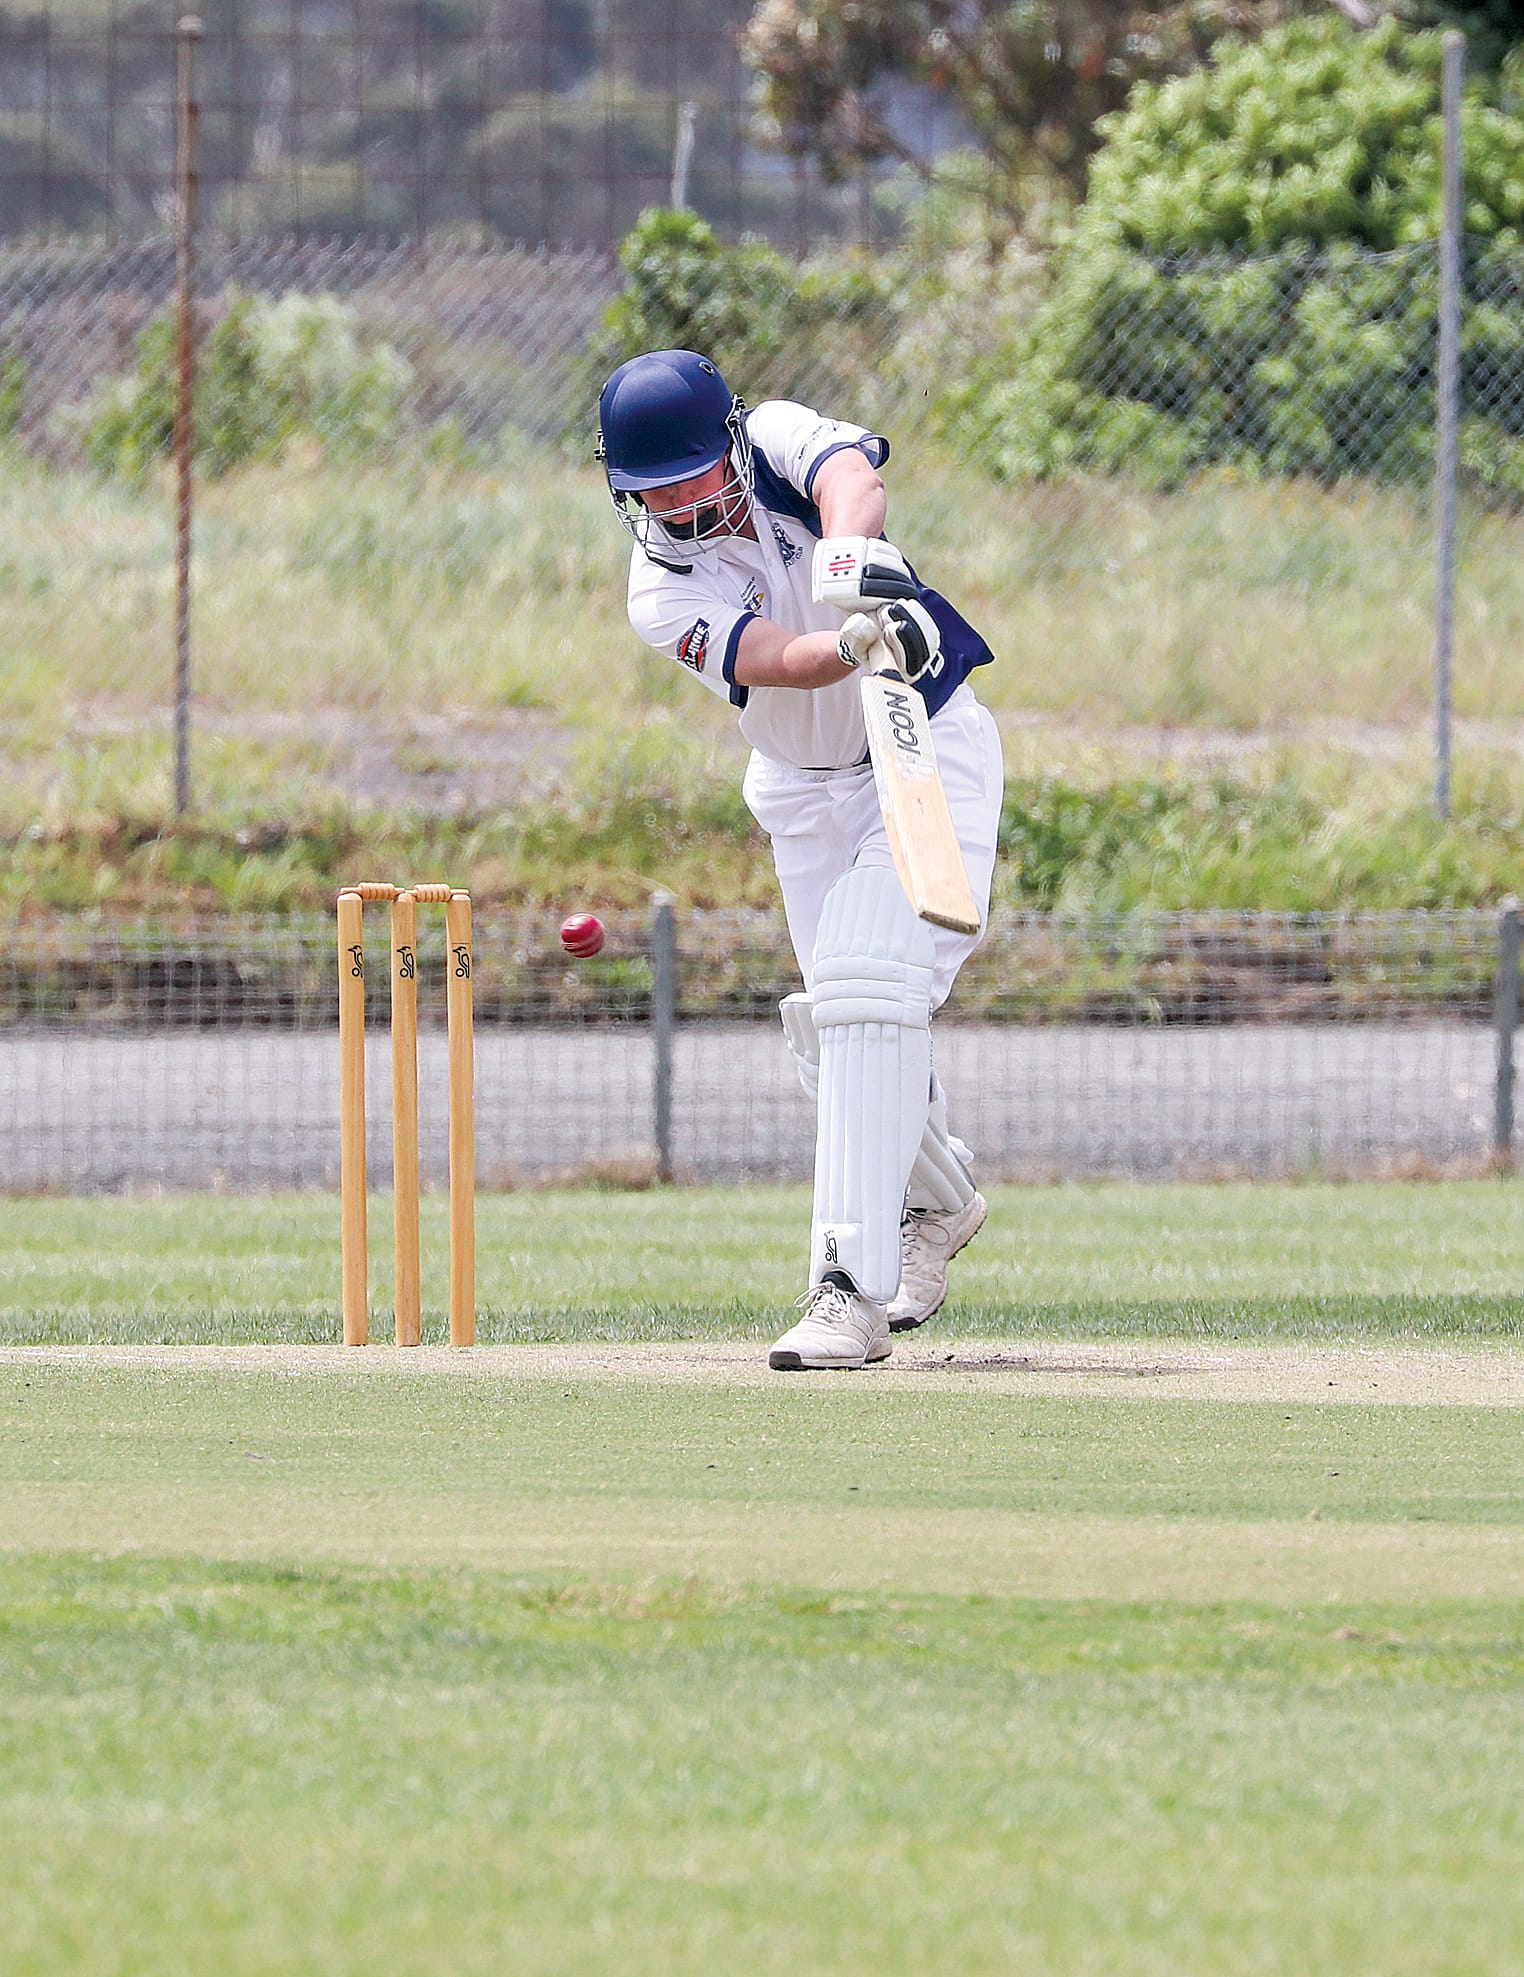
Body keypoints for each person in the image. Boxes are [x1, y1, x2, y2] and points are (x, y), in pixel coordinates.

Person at [596, 348, 1004, 1370]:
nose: (673, 506)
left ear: (726, 444)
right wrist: (857, 639)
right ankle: (937, 1202)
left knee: (871, 990)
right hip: (800, 787)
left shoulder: (775, 435)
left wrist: (848, 568)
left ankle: (847, 1293)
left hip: (921, 744)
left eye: (685, 477)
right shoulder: (658, 589)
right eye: (647, 492)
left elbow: (851, 481)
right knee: (837, 1033)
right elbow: (766, 659)